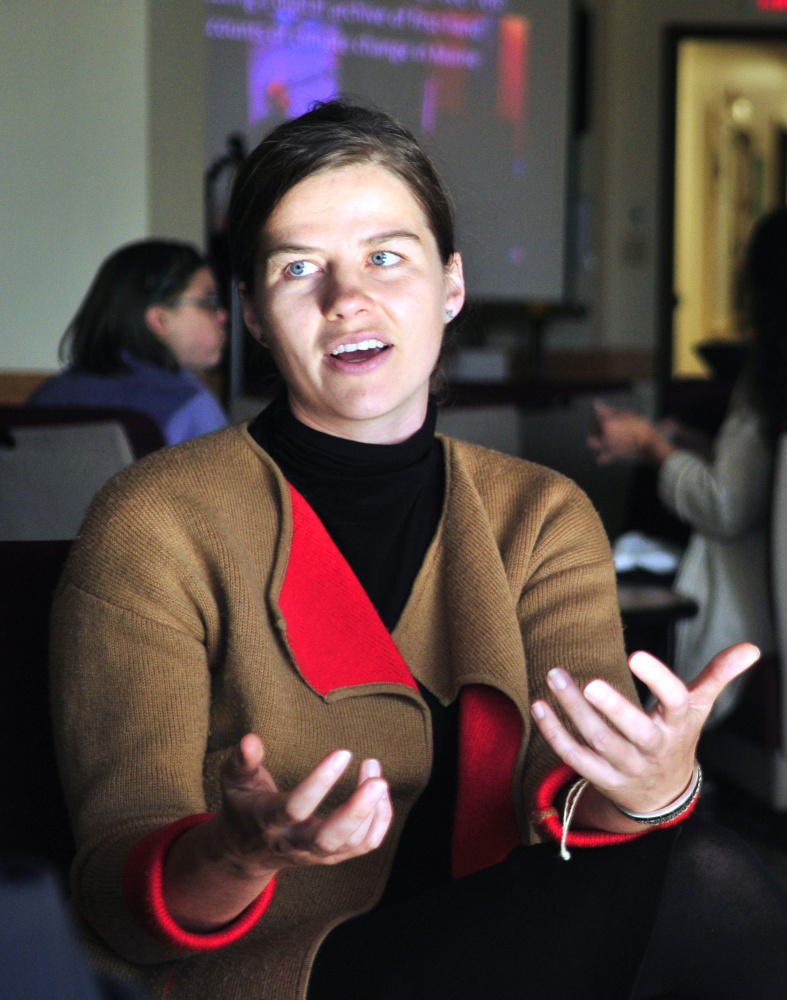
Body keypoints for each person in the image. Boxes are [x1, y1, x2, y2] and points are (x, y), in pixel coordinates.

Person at [50, 102, 787, 1000]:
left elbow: (577, 811)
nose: (346, 298)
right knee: (707, 886)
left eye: (386, 257)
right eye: (298, 267)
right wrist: (234, 853)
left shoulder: (542, 514)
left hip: (507, 943)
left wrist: (653, 784)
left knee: (700, 866)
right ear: (251, 311)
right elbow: (111, 900)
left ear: (451, 285)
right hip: (274, 977)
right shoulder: (153, 520)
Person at [588, 207, 787, 722]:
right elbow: (759, 476)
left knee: (603, 576)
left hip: (746, 598)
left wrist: (653, 444)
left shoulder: (769, 375)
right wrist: (678, 439)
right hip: (763, 589)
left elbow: (727, 505)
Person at [28, 240, 228, 446]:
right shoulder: (191, 405)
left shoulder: (47, 395)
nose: (222, 316)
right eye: (209, 302)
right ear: (159, 319)